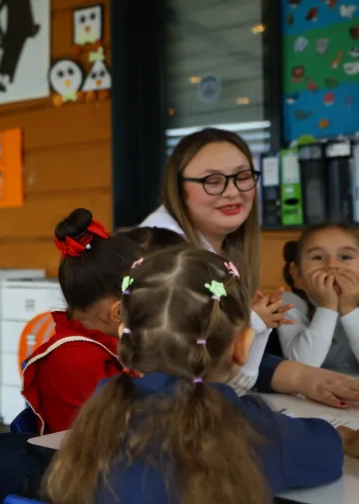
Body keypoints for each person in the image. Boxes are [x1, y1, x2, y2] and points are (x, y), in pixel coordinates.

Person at [44, 246, 354, 504]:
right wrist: (342, 436)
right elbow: (325, 455)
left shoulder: (104, 406)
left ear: (126, 336)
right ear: (242, 345)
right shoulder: (253, 426)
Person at [140, 128, 292, 393]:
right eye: (212, 180)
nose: (232, 192)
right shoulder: (165, 252)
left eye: (243, 177)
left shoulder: (217, 243)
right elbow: (189, 369)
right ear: (177, 188)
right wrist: (254, 323)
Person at [21, 210, 188, 434]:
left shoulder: (96, 342)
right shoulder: (75, 359)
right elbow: (131, 424)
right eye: (147, 304)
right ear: (119, 312)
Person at [280, 223, 359, 374]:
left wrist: (349, 309)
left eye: (345, 257)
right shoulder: (288, 304)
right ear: (296, 273)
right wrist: (327, 307)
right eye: (317, 257)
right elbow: (303, 366)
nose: (332, 266)